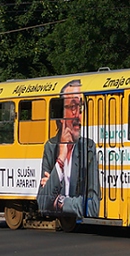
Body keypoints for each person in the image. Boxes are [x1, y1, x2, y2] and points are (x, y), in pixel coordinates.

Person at [37, 80, 101, 218]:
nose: (78, 115)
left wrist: (60, 201)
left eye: (81, 108)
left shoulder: (88, 148)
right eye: (73, 107)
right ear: (61, 116)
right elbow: (42, 204)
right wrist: (60, 160)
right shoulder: (51, 147)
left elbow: (93, 207)